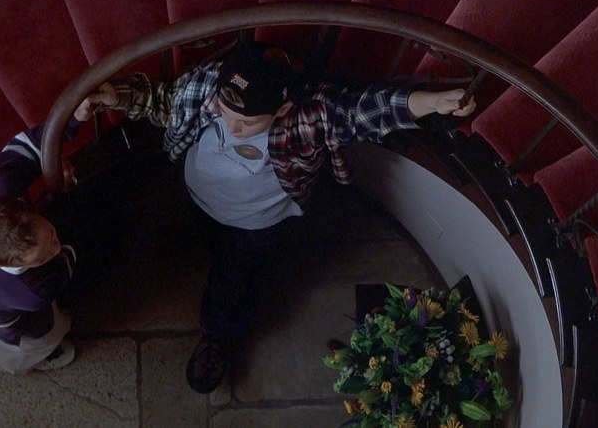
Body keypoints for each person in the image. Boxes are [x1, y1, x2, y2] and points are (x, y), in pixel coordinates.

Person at [80, 41, 477, 393]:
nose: (231, 126)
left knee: (234, 277)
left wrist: (429, 103)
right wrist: (114, 95)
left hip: (256, 224)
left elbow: (361, 112)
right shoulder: (210, 88)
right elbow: (164, 100)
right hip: (199, 196)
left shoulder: (305, 119)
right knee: (206, 240)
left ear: (282, 108)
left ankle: (218, 334)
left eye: (247, 122)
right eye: (225, 111)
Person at [0, 101, 96, 375]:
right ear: (9, 263)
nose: (55, 248)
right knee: (42, 334)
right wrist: (61, 197)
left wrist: (73, 119)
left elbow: (27, 146)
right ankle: (33, 358)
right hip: (1, 314)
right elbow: (65, 262)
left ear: (20, 205)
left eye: (50, 234)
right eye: (42, 258)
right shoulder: (33, 291)